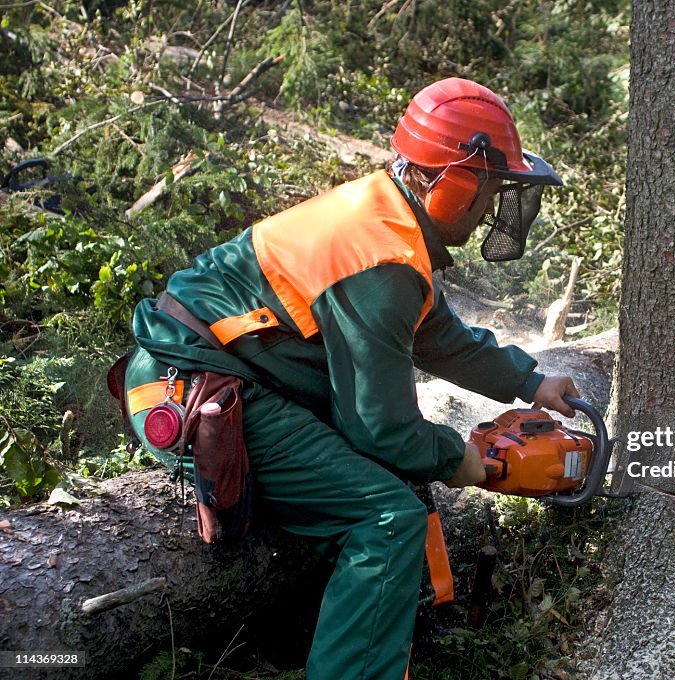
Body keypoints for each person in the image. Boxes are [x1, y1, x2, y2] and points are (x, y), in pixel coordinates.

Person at [120, 77, 580, 679]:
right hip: (200, 392)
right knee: (387, 520)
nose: (493, 207)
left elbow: (437, 336)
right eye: (491, 189)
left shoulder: (385, 220)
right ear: (455, 182)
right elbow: (381, 429)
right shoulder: (382, 261)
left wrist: (531, 382)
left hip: (224, 375)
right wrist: (461, 459)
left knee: (386, 490)